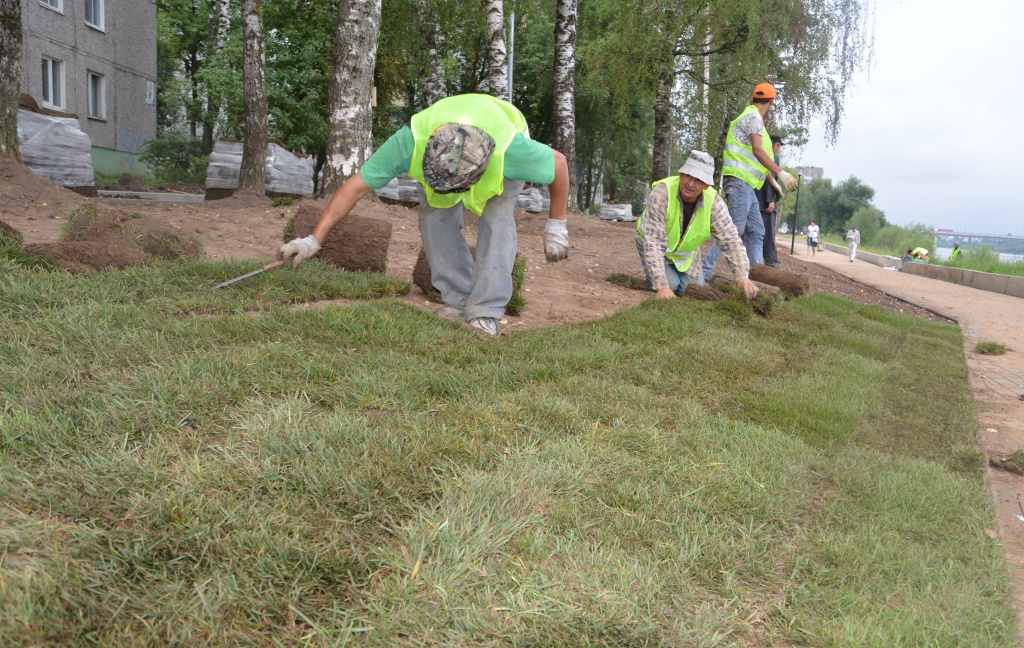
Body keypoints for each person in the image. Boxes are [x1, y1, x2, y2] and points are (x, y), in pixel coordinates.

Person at [277, 94, 571, 338]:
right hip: (449, 142)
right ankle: (456, 300)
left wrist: (556, 225)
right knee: (434, 215)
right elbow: (354, 189)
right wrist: (312, 241)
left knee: (497, 218)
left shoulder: (512, 152)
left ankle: (485, 312)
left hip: (501, 130)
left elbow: (559, 165)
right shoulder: (409, 143)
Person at [700, 83, 798, 280]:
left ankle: (756, 276)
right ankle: (703, 270)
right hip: (739, 183)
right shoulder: (754, 118)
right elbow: (758, 151)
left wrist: (772, 182)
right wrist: (781, 173)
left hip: (746, 185)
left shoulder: (748, 116)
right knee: (734, 229)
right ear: (772, 102)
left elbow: (755, 159)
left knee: (756, 230)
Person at [635, 151, 759, 300]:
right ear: (681, 174)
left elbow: (730, 240)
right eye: (688, 176)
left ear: (706, 185)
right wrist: (662, 286)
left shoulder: (714, 203)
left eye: (699, 180)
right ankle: (663, 278)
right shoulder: (663, 192)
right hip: (651, 244)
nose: (691, 184)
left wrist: (742, 276)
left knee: (694, 289)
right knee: (671, 285)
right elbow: (653, 242)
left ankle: (672, 276)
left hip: (684, 254)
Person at [757, 135, 786, 268]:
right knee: (769, 233)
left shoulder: (759, 154)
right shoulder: (773, 158)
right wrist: (771, 200)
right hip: (766, 202)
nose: (779, 149)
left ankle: (756, 261)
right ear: (775, 144)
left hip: (756, 200)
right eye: (779, 145)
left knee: (754, 233)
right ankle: (771, 262)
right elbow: (770, 179)